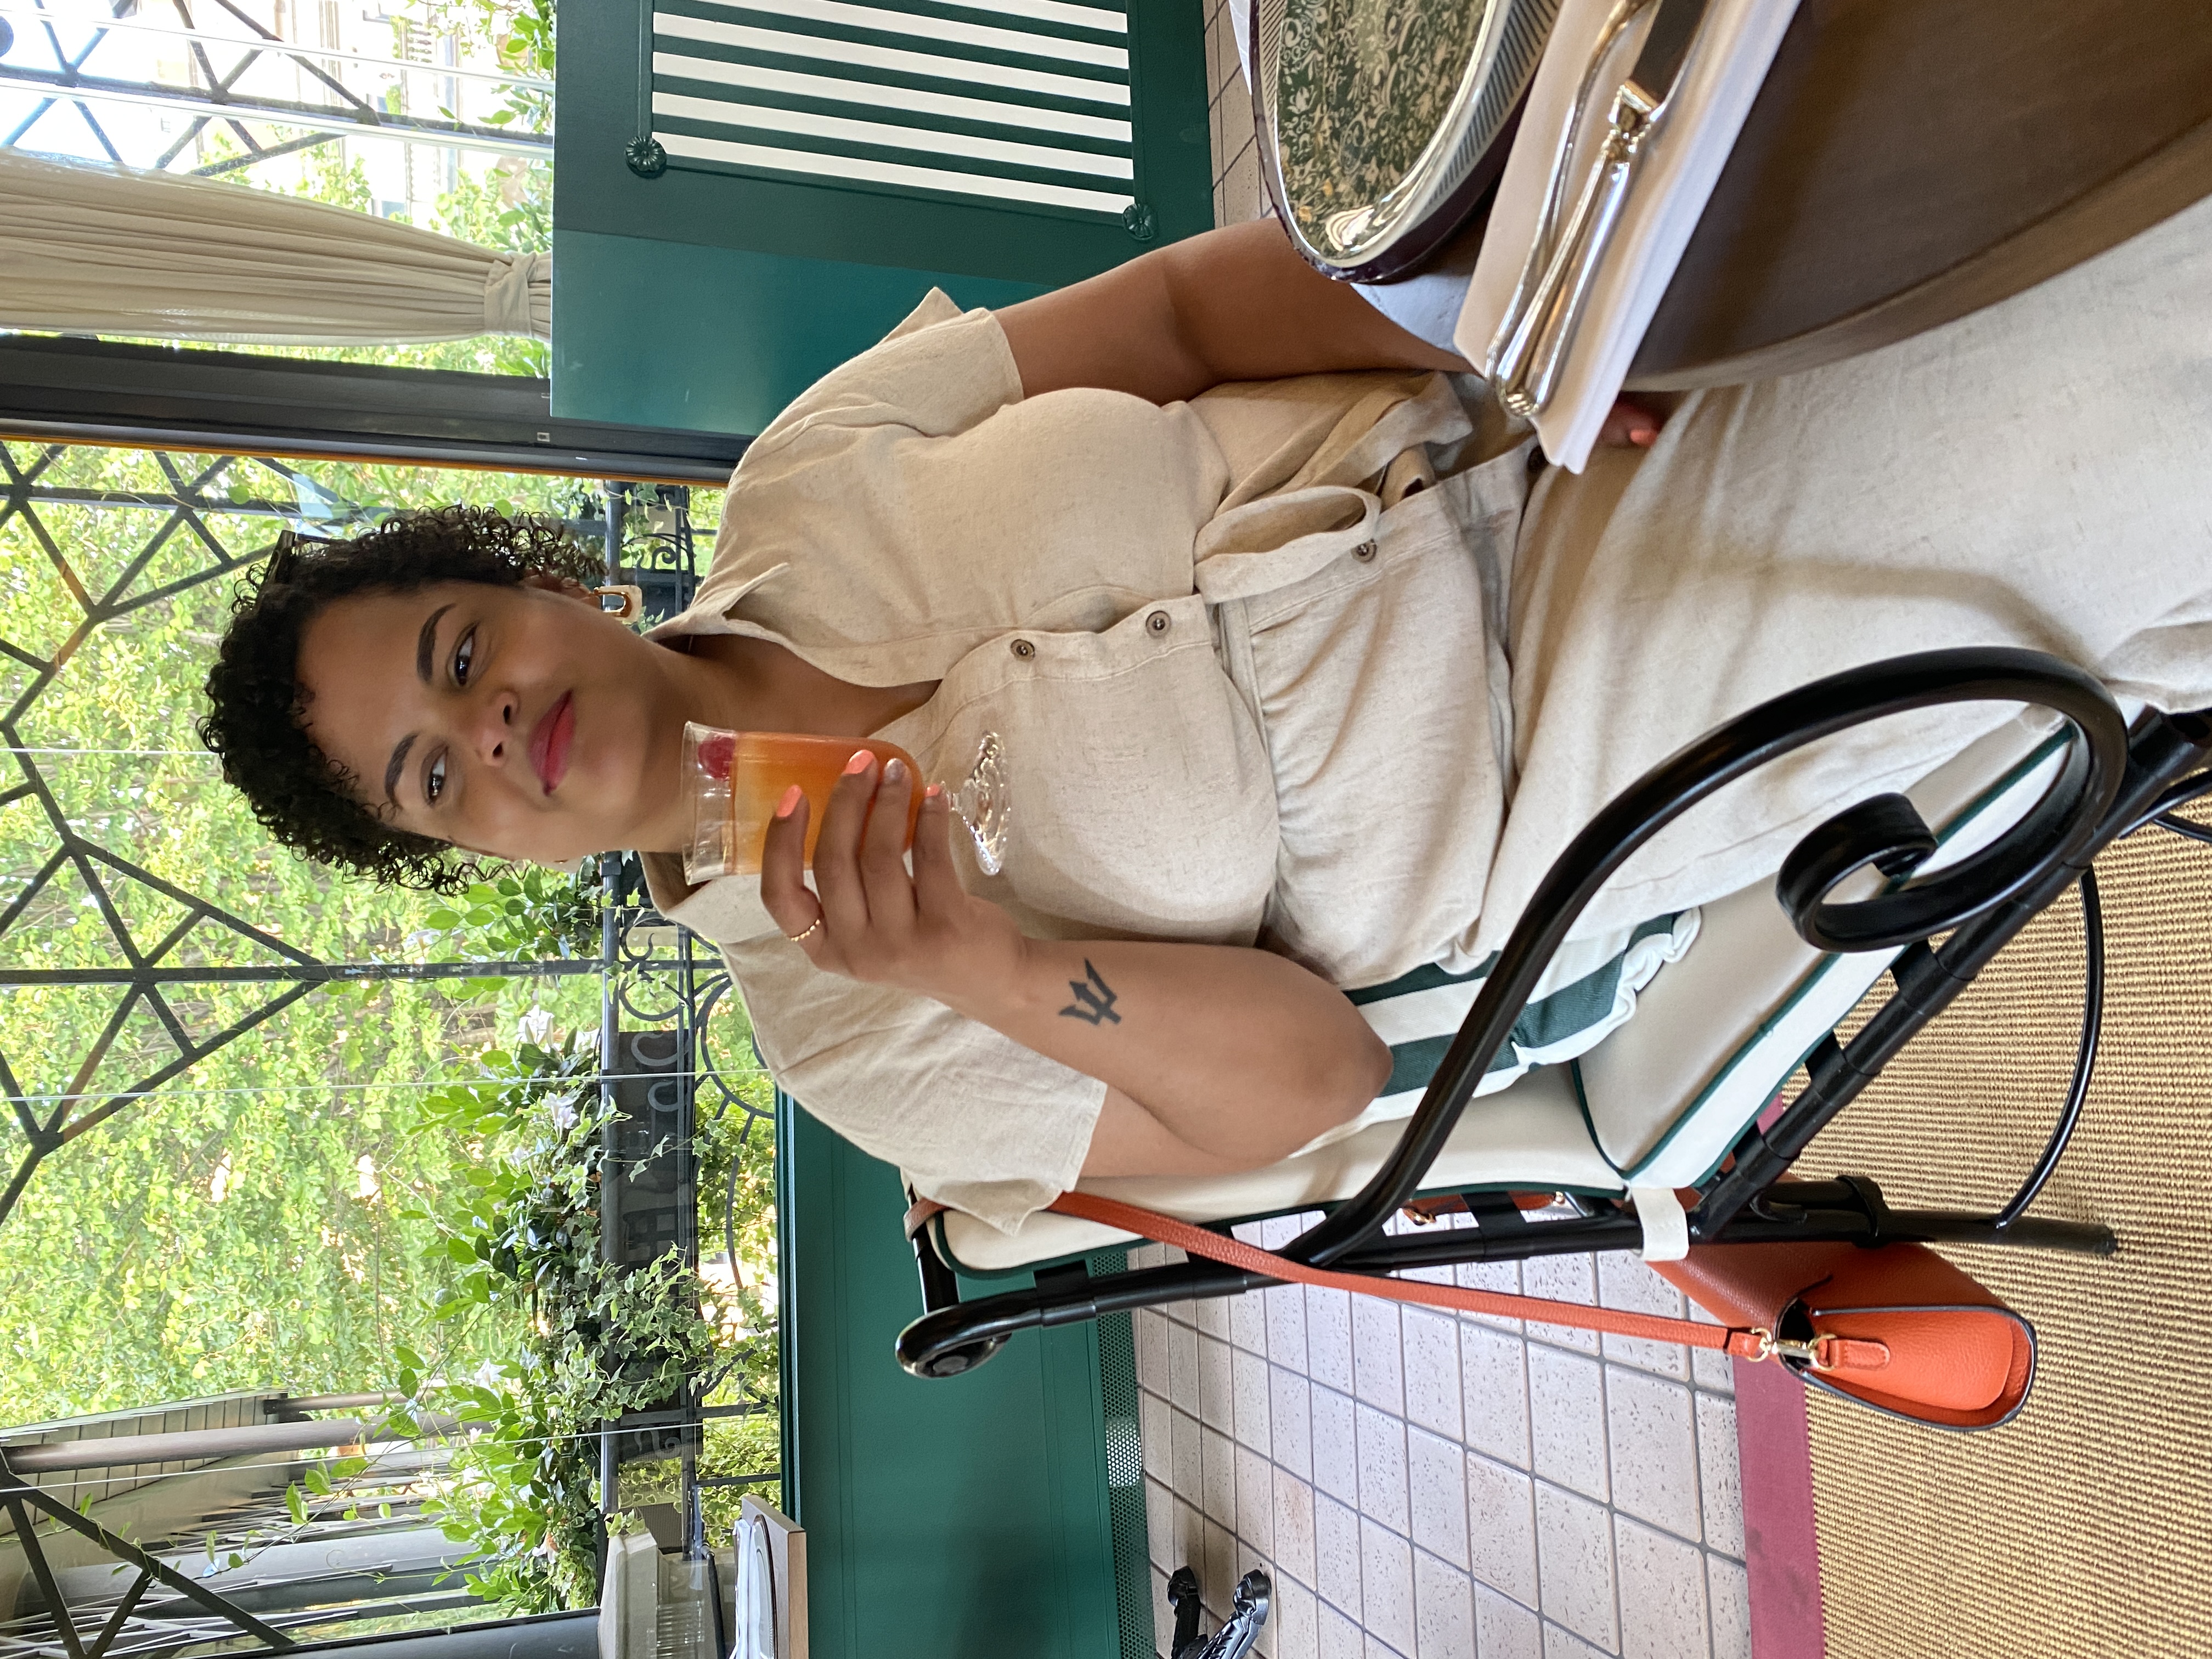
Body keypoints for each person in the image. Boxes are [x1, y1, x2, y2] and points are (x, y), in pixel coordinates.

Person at [199, 202, 2212, 1233]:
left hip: (1509, 418)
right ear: (479, 850)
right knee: (2109, 370)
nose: (493, 733)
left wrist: (1508, 322)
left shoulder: (802, 480)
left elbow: (1171, 317)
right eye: (434, 781)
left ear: (538, 586)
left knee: (1932, 158)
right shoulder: (843, 1029)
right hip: (1556, 757)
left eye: (455, 656)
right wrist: (993, 963)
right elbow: (1315, 1084)